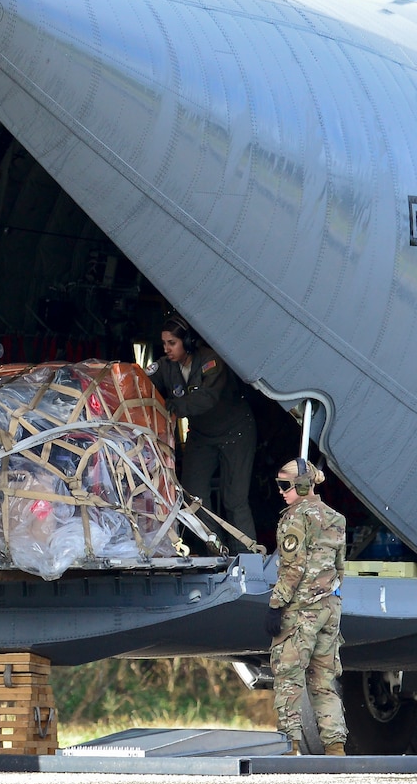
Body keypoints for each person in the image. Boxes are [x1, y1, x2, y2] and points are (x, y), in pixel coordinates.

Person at [268, 457, 349, 755]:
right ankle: (335, 745)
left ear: (301, 486)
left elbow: (293, 567)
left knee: (288, 676)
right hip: (329, 608)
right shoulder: (335, 518)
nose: (280, 491)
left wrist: (276, 605)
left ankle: (290, 744)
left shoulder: (294, 518)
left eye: (284, 485)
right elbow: (340, 569)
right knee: (324, 680)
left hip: (300, 610)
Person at [150, 320, 257, 540]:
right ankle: (213, 544)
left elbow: (207, 398)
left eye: (172, 343)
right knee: (193, 494)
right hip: (201, 435)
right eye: (164, 343)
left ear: (187, 342)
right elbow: (142, 381)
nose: (166, 349)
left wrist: (173, 406)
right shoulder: (166, 366)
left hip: (235, 433)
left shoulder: (211, 361)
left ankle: (246, 553)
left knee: (235, 499)